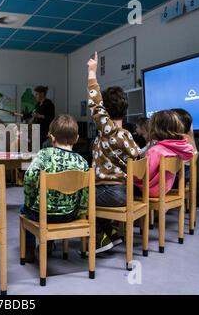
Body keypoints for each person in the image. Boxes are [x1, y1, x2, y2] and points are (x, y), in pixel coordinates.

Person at [87, 52, 141, 253]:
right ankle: (112, 233)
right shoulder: (127, 135)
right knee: (93, 192)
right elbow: (136, 156)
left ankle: (100, 238)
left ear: (106, 112)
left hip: (109, 192)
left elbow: (95, 104)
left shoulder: (108, 130)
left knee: (81, 197)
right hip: (126, 192)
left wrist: (92, 72)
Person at [21, 115, 89, 262]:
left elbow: (29, 178)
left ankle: (29, 251)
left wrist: (30, 201)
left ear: (51, 138)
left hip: (43, 215)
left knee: (25, 210)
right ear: (76, 138)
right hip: (69, 214)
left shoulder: (44, 155)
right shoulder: (83, 162)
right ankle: (49, 245)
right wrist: (80, 212)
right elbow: (85, 194)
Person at [135, 110, 194, 197]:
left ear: (154, 129)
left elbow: (143, 175)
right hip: (165, 188)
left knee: (122, 187)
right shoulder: (179, 148)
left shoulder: (156, 151)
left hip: (150, 190)